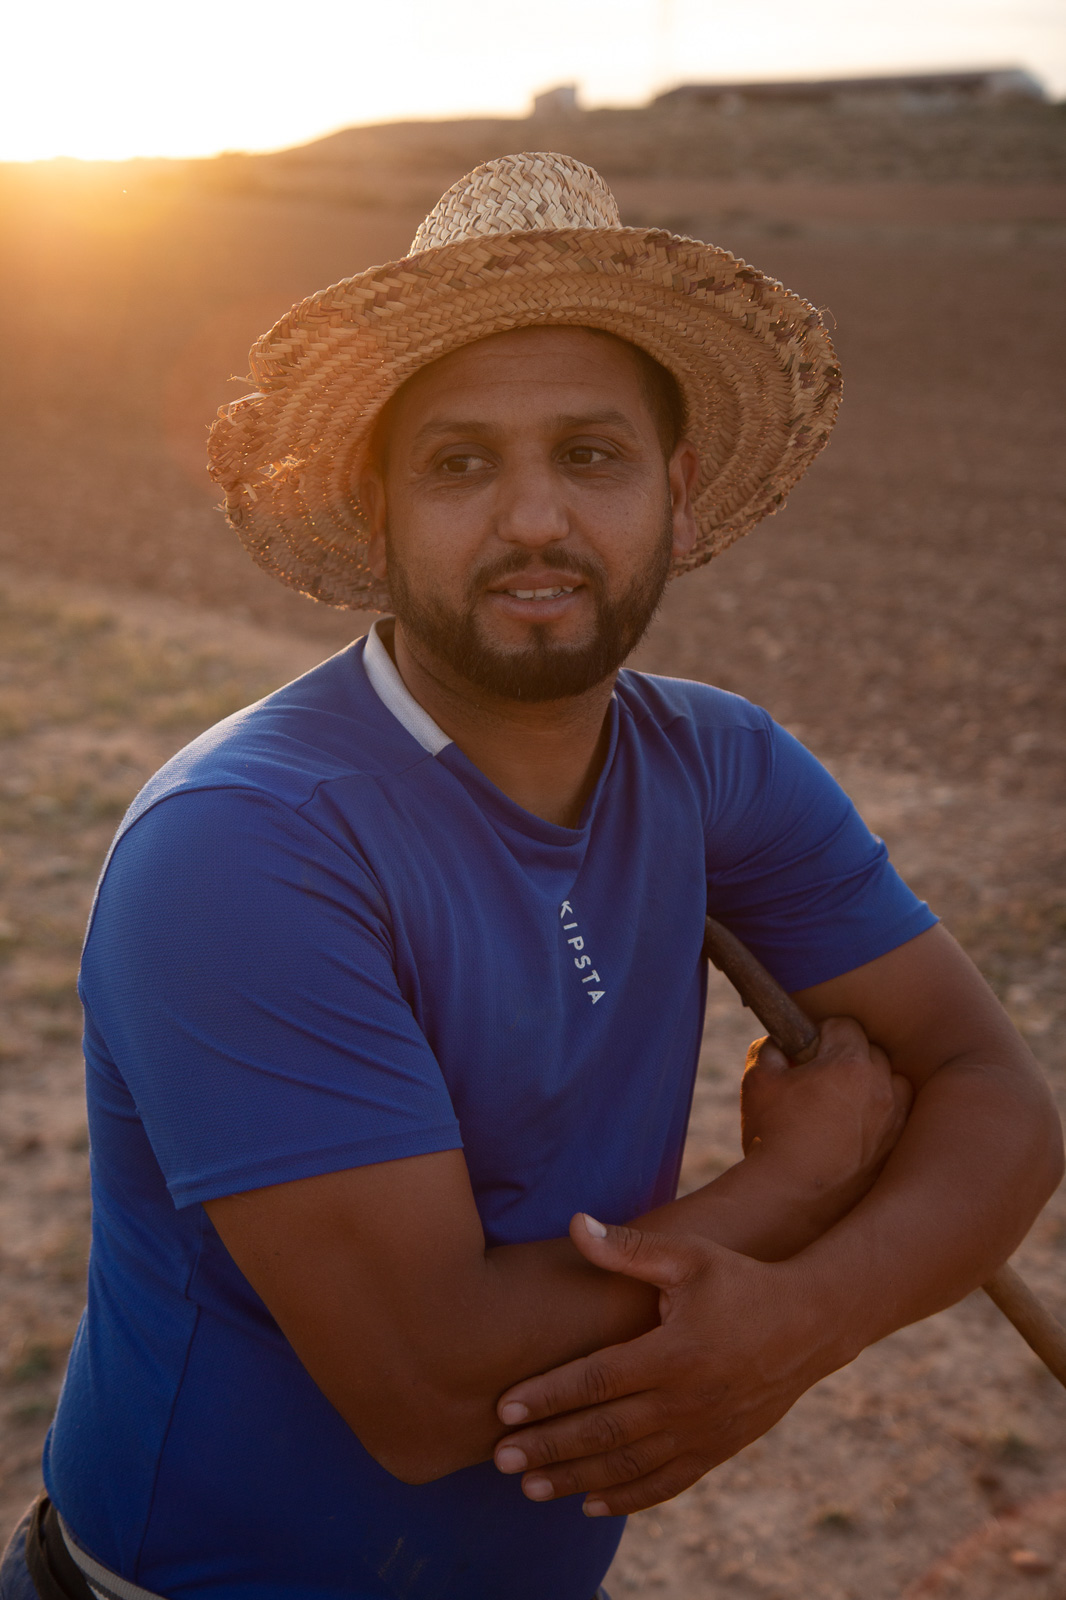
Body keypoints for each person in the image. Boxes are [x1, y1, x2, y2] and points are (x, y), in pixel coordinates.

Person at [2, 153, 1060, 1600]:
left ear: (676, 496)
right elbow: (427, 1391)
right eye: (457, 463)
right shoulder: (247, 844)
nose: (534, 521)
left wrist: (804, 1323)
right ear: (373, 507)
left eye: (590, 454)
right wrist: (787, 1187)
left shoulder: (716, 766)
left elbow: (998, 1104)